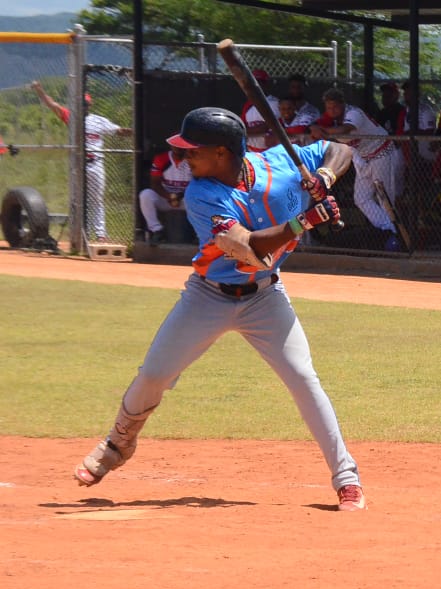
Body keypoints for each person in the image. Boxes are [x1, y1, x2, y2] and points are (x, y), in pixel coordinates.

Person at [72, 107, 367, 511]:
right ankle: (117, 445)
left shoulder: (278, 161)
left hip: (265, 297)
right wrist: (304, 221)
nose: (184, 159)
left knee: (304, 380)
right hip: (207, 296)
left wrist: (325, 176)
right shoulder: (201, 194)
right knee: (155, 373)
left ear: (223, 153)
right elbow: (248, 246)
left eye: (194, 152)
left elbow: (339, 149)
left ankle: (346, 478)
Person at [31, 80, 131, 242]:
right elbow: (52, 105)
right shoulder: (72, 117)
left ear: (89, 105)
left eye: (86, 104)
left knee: (97, 199)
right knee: (78, 200)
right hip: (79, 166)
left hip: (96, 164)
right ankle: (80, 235)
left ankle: (100, 235)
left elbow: (117, 131)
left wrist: (133, 131)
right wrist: (40, 90)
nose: (84, 106)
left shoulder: (98, 120)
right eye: (81, 104)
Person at [311, 87, 405, 251]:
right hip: (363, 156)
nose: (332, 111)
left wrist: (324, 132)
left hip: (382, 151)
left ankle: (395, 234)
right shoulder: (329, 120)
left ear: (342, 104)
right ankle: (387, 229)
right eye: (329, 107)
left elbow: (346, 130)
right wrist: (317, 129)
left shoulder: (354, 113)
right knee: (361, 198)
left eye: (335, 107)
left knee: (384, 198)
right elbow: (313, 128)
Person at [139, 145, 192, 243]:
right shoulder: (162, 159)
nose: (178, 148)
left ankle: (198, 234)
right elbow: (155, 184)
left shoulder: (193, 159)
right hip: (166, 198)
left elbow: (200, 184)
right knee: (145, 195)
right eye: (175, 145)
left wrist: (180, 196)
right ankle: (157, 231)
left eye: (181, 145)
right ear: (171, 146)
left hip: (186, 200)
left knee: (201, 199)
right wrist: (170, 196)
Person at [395, 79, 438, 166]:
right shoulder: (407, 110)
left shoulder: (426, 110)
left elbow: (430, 132)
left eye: (409, 92)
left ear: (417, 94)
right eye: (405, 92)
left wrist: (411, 133)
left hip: (424, 146)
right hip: (408, 146)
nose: (406, 95)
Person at [240, 69, 281, 152]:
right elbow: (242, 126)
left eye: (260, 82)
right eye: (253, 82)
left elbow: (266, 127)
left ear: (266, 84)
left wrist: (242, 132)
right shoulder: (248, 105)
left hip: (270, 152)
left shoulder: (274, 103)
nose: (256, 85)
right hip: (251, 150)